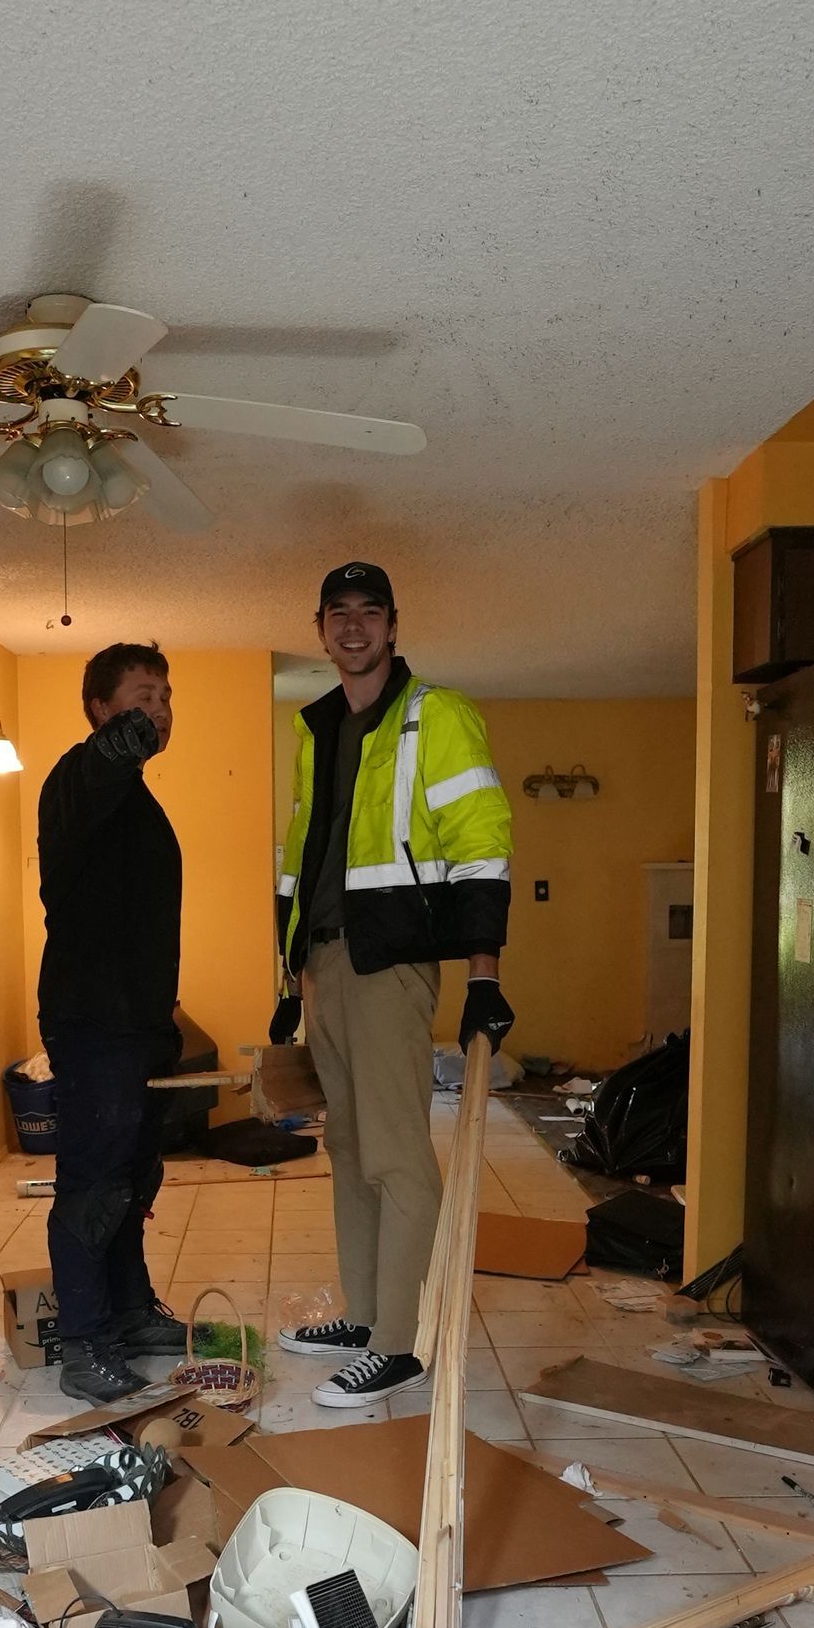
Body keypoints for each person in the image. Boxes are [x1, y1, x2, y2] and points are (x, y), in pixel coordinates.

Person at [272, 562, 515, 1406]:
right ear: (321, 628)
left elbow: (482, 844)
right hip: (327, 965)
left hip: (390, 961)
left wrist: (484, 976)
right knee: (345, 1150)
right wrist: (288, 969)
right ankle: (365, 1312)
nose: (353, 629)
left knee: (397, 1156)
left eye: (368, 614)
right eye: (338, 615)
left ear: (392, 627)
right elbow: (303, 857)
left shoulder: (432, 716)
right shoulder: (318, 729)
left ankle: (398, 1345)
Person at [36, 641, 189, 1404]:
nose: (158, 708)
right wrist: (124, 737)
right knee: (92, 1185)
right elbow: (102, 763)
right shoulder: (79, 777)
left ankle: (129, 1312)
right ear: (99, 707)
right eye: (140, 694)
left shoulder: (135, 800)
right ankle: (85, 1343)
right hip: (93, 1020)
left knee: (132, 1178)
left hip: (138, 1022)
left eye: (164, 696)